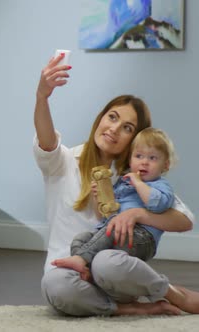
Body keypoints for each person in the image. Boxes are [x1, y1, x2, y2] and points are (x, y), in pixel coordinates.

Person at [34, 51, 199, 316]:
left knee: (106, 263)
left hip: (114, 272)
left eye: (127, 127)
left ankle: (172, 293)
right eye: (112, 117)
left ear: (135, 139)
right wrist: (42, 97)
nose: (114, 128)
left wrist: (137, 213)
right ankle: (132, 309)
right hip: (72, 275)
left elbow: (185, 220)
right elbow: (46, 140)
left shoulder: (135, 176)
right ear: (100, 118)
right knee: (54, 285)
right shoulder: (63, 161)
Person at [51, 127, 177, 282]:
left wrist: (138, 183)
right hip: (114, 233)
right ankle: (87, 270)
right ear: (131, 160)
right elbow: (108, 214)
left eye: (152, 158)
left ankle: (81, 259)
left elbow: (158, 204)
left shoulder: (160, 185)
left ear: (166, 165)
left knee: (112, 228)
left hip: (140, 238)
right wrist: (101, 198)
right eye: (139, 156)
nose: (144, 162)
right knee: (81, 239)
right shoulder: (123, 182)